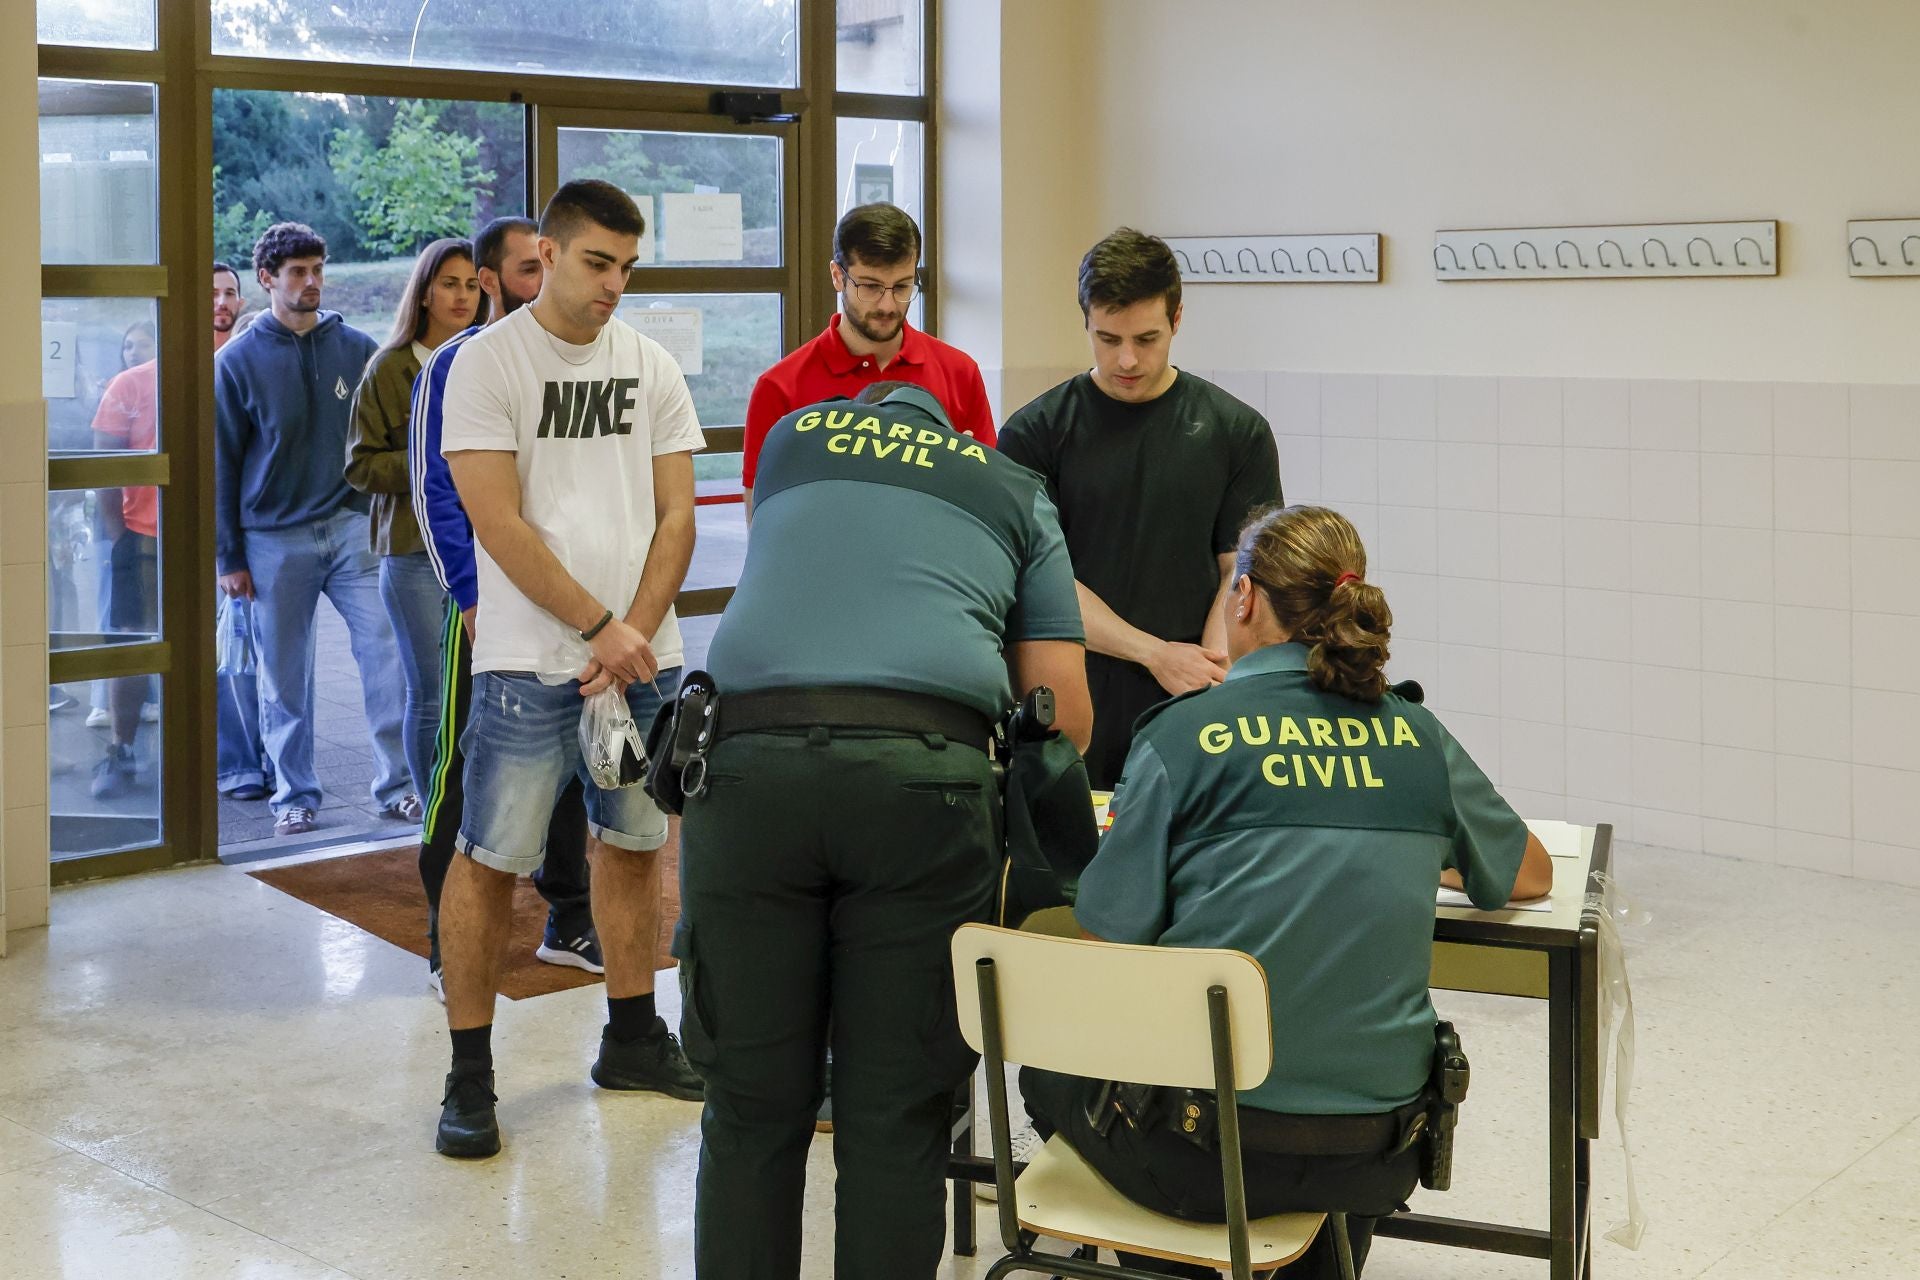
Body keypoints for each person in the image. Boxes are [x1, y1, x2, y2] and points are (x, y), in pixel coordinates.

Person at [1020, 505, 1553, 1280]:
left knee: (1049, 1071)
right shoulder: (1416, 735)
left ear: (1242, 599)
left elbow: (1108, 949)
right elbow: (1527, 873)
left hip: (1201, 1152)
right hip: (1376, 1150)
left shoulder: (1183, 735)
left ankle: (1168, 1258)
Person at [678, 381, 1092, 1279]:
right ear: (953, 430)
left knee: (750, 1105)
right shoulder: (1014, 485)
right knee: (895, 1112)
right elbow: (1065, 713)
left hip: (747, 777)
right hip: (923, 790)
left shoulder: (791, 439)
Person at [434, 180, 706, 1158]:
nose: (615, 286)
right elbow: (495, 519)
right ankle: (469, 1071)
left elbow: (678, 516)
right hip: (525, 668)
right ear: (545, 255)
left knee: (633, 847)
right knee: (490, 859)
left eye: (628, 267)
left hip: (639, 663)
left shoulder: (652, 364)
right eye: (599, 263)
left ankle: (632, 1035)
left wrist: (631, 632)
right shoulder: (483, 365)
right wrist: (598, 624)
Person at [999, 227, 1281, 789]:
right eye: (1107, 339)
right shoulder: (1035, 434)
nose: (1126, 359)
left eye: (1147, 339)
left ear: (1177, 320)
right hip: (1071, 695)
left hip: (1193, 692)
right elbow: (1039, 581)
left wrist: (1209, 673)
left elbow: (1241, 573)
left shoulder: (1236, 432)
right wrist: (1155, 654)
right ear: (1085, 322)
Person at [410, 215, 599, 997]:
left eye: (550, 264)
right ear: (492, 280)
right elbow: (436, 490)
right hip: (489, 610)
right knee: (468, 764)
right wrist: (469, 596)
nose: (543, 279)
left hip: (566, 605)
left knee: (573, 766)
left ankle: (570, 919)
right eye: (529, 267)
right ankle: (440, 937)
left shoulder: (567, 358)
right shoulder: (459, 363)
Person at [215, 223, 416, 837]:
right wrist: (230, 557)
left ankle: (399, 785)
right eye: (297, 272)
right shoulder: (236, 363)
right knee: (283, 676)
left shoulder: (356, 348)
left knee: (388, 660)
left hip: (353, 529)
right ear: (268, 279)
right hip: (273, 541)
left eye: (317, 269)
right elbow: (221, 465)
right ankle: (294, 795)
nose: (311, 282)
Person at [346, 238, 485, 833]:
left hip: (482, 549)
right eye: (449, 284)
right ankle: (430, 803)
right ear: (425, 291)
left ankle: (474, 797)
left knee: (480, 687)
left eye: (471, 285)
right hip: (411, 551)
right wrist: (435, 464)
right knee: (430, 692)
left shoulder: (484, 358)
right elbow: (359, 465)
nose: (461, 296)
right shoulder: (390, 366)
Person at [740, 203, 995, 518]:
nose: (888, 305)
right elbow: (763, 517)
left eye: (902, 286)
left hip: (933, 561)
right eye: (871, 287)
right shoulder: (779, 388)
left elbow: (988, 498)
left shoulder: (959, 372)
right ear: (837, 276)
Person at [85, 323, 159, 797]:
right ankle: (121, 749)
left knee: (225, 655)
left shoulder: (222, 372)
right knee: (130, 647)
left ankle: (234, 761)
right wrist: (120, 541)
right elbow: (104, 466)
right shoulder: (130, 383)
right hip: (143, 537)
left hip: (217, 540)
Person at [210, 261, 274, 802]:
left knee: (248, 654)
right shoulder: (173, 372)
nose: (223, 301)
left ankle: (262, 762)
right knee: (227, 654)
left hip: (248, 534)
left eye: (231, 292)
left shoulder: (249, 357)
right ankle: (236, 763)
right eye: (212, 293)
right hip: (188, 533)